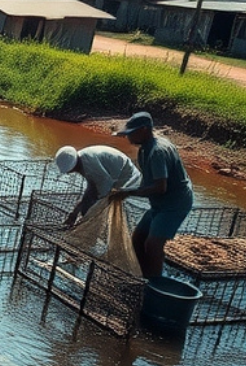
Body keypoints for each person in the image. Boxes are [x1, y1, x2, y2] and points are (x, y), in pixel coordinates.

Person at [108, 111, 194, 279]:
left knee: (153, 245)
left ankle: (154, 284)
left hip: (174, 204)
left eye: (131, 133)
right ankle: (142, 276)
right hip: (159, 204)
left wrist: (129, 193)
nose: (128, 137)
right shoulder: (144, 150)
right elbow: (147, 181)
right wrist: (125, 189)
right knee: (138, 238)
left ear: (145, 130)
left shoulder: (157, 151)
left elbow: (160, 187)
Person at [55, 144, 142, 228]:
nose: (71, 172)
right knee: (87, 205)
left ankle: (90, 230)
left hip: (127, 180)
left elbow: (105, 186)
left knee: (94, 208)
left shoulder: (89, 164)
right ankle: (87, 227)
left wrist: (95, 208)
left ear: (73, 166)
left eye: (71, 171)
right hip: (113, 178)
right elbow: (92, 186)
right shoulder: (83, 159)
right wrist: (76, 210)